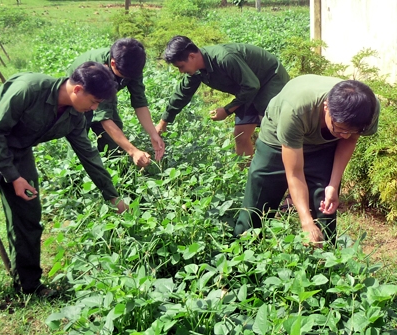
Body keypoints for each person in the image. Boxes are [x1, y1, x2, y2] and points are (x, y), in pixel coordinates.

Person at [0, 61, 127, 322]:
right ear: (77, 89)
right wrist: (13, 177)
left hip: (18, 152)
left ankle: (29, 283)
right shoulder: (29, 88)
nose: (94, 108)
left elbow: (88, 154)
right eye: (93, 101)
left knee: (28, 216)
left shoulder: (73, 115)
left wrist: (111, 195)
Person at [234, 74, 380, 245]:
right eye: (340, 128)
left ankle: (323, 260)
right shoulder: (296, 109)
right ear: (326, 107)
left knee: (324, 205)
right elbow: (295, 173)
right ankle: (242, 254)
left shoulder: (367, 108)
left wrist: (333, 185)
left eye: (351, 130)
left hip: (323, 145)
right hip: (277, 141)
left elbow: (351, 139)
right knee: (258, 204)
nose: (345, 135)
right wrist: (306, 221)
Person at [155, 35, 290, 158]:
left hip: (269, 81)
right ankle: (246, 178)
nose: (181, 71)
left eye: (181, 66)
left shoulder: (224, 58)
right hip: (247, 89)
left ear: (191, 56)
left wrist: (227, 110)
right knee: (240, 136)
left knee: (274, 135)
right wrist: (163, 122)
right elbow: (182, 93)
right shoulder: (196, 71)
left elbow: (252, 86)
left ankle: (288, 174)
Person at [67, 38, 165, 168]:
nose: (128, 79)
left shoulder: (132, 65)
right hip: (80, 97)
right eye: (124, 76)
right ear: (113, 63)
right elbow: (104, 118)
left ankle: (112, 172)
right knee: (78, 135)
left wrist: (153, 134)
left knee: (113, 144)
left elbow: (139, 101)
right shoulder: (100, 70)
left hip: (105, 93)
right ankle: (71, 178)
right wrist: (133, 151)